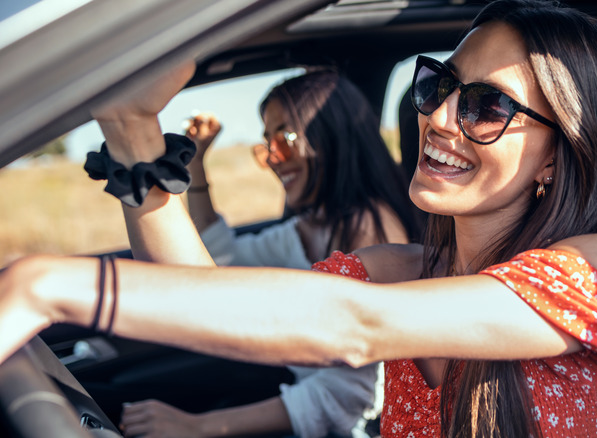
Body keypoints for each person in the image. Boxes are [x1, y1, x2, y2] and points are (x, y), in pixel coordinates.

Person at [0, 0, 597, 436]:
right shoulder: (399, 272)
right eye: (438, 87)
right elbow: (207, 297)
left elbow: (353, 327)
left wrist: (44, 282)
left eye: (487, 107)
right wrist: (132, 126)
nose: (439, 118)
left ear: (556, 156)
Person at [119, 71, 421, 438]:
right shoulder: (310, 226)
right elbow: (220, 263)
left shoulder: (375, 231)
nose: (274, 158)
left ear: (332, 136)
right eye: (267, 143)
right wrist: (195, 166)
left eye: (285, 138)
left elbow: (350, 394)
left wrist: (197, 426)